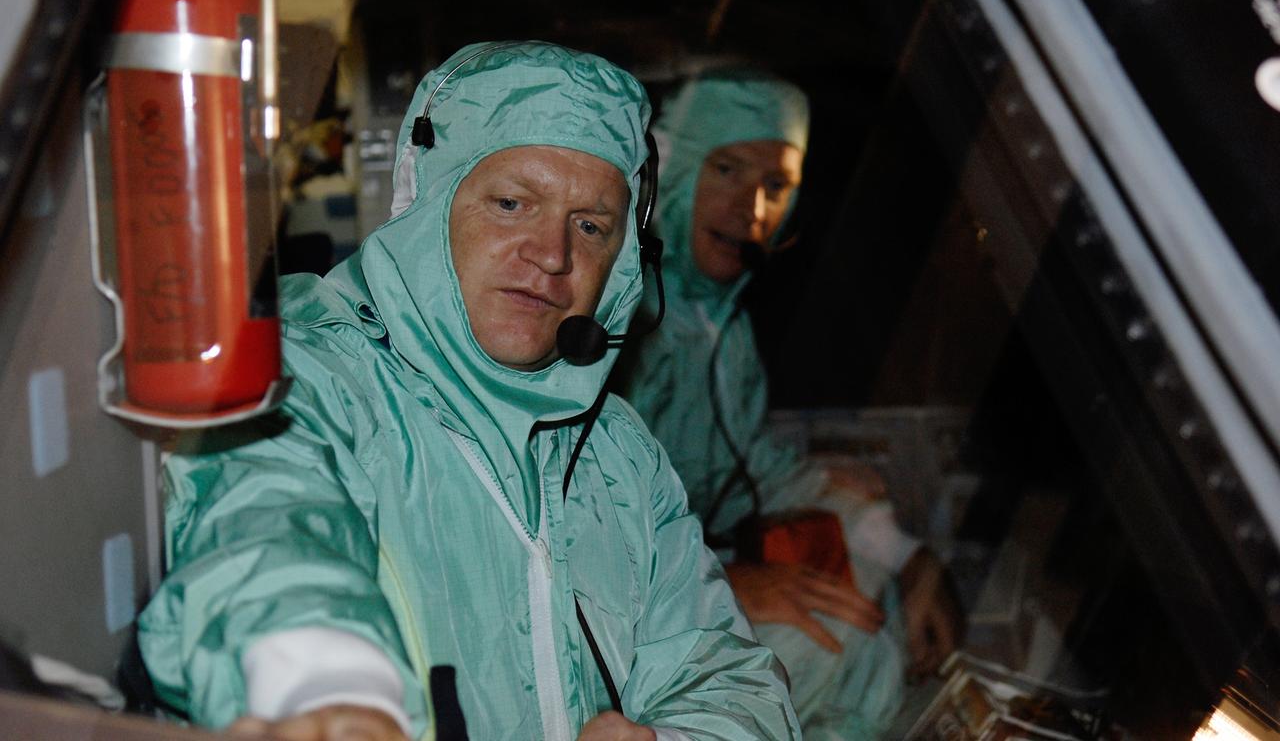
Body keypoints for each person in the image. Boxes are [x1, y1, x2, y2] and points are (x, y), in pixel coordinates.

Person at [137, 43, 802, 741]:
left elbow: (727, 676)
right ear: (428, 203)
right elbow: (268, 537)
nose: (552, 254)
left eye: (591, 225)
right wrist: (324, 691)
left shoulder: (618, 455)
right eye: (512, 202)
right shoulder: (307, 382)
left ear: (625, 258)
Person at [614, 70, 964, 740]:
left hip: (688, 581)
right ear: (674, 167)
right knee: (830, 636)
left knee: (859, 570)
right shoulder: (622, 324)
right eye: (726, 168)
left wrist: (908, 557)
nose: (751, 209)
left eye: (776, 187)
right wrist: (722, 584)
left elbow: (759, 473)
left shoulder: (723, 330)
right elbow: (575, 526)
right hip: (624, 616)